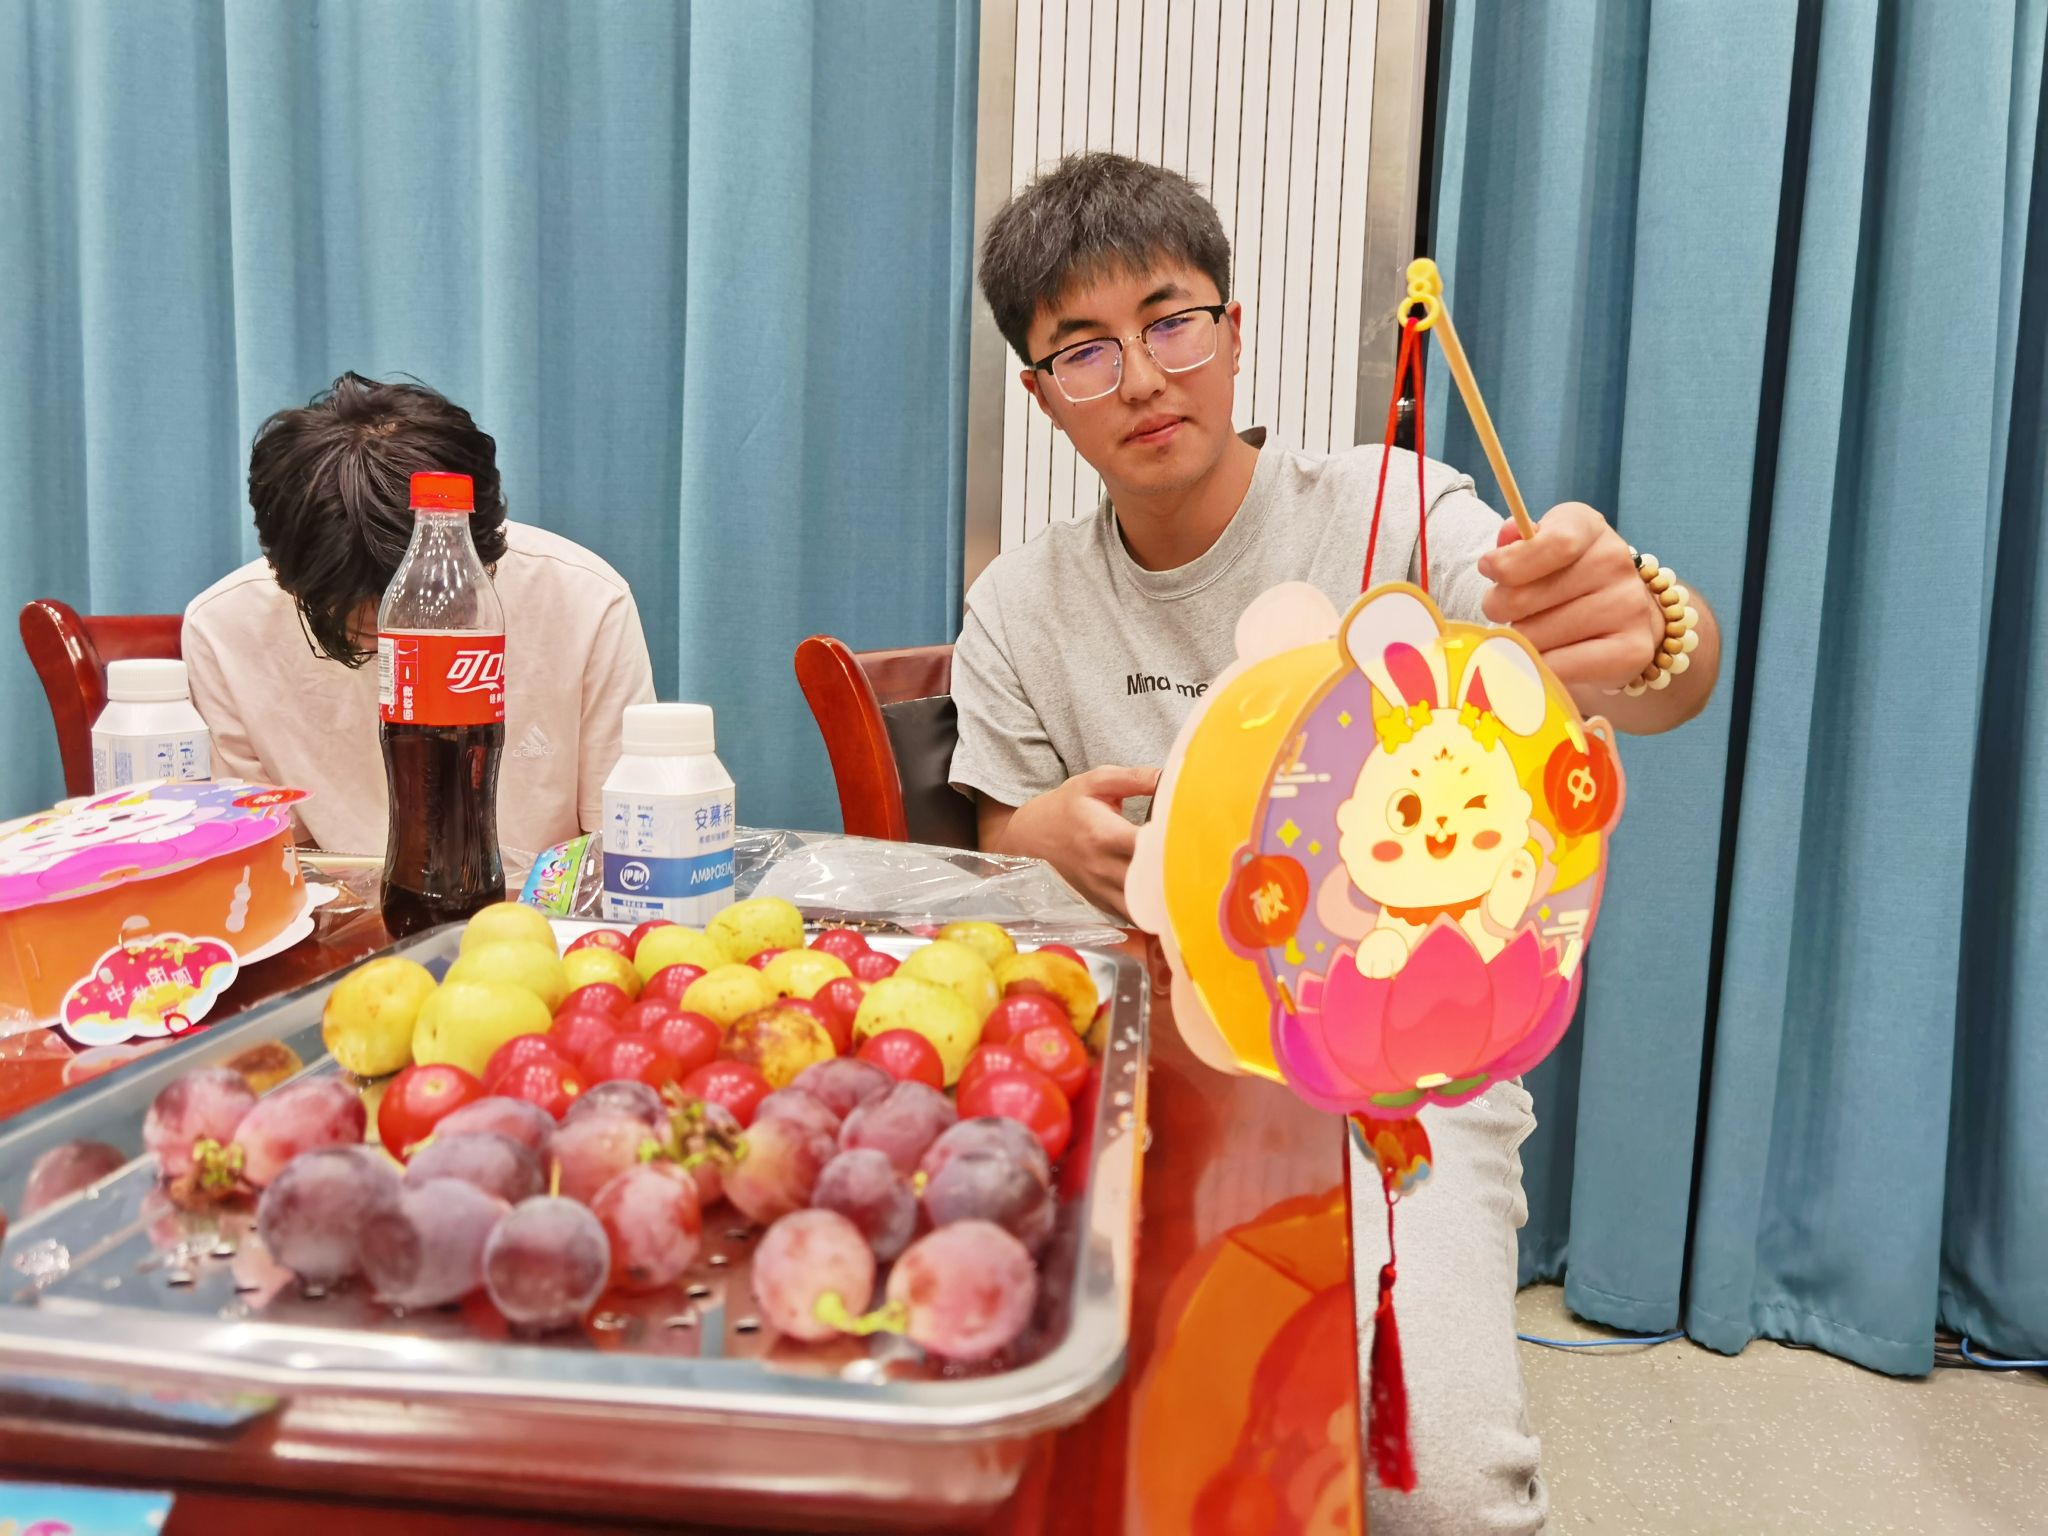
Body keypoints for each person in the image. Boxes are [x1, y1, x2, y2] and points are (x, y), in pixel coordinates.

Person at [950, 152, 1722, 1534]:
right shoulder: (1017, 603)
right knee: (1077, 1460)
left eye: (1173, 322)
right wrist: (1036, 831)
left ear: (1234, 330)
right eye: (1085, 350)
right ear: (1040, 392)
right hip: (1144, 1067)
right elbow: (997, 834)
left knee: (1441, 1495)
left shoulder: (1389, 508)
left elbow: (1646, 673)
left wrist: (1648, 618)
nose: (1143, 378)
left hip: (1400, 1072)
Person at [184, 373, 656, 856]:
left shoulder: (585, 600)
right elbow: (277, 859)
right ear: (284, 570)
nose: (386, 620)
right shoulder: (225, 628)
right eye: (350, 602)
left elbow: (619, 846)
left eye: (418, 590)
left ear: (482, 545)